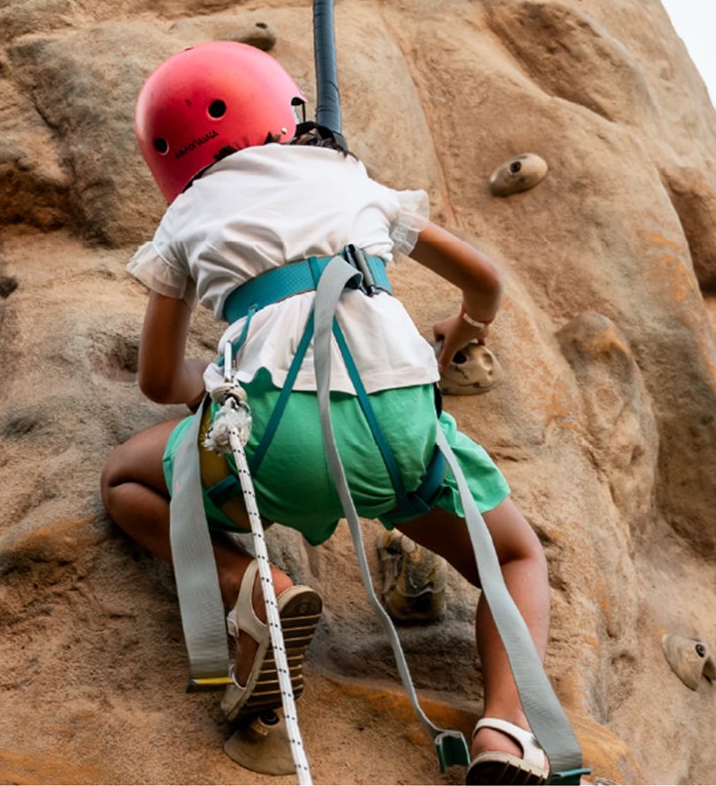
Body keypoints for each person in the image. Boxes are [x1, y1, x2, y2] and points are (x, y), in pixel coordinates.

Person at [99, 41, 555, 785]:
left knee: (127, 480)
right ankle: (506, 732)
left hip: (271, 435)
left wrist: (209, 389)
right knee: (514, 556)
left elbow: (157, 379)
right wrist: (463, 333)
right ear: (282, 110)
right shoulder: (354, 181)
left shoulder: (187, 217)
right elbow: (486, 280)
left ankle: (259, 588)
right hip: (397, 432)